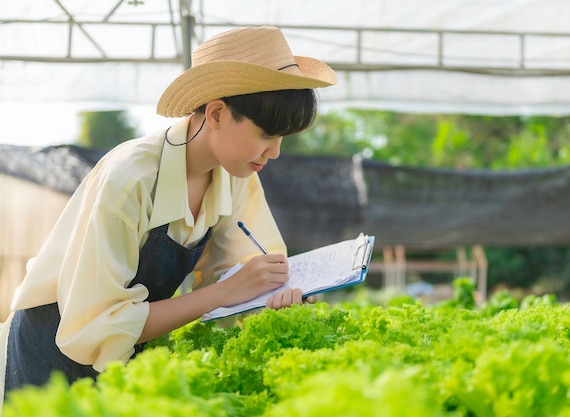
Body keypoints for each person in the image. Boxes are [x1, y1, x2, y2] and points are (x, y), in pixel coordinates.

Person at [0, 25, 337, 404]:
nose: (274, 152)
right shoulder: (130, 179)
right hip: (56, 353)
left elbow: (246, 269)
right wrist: (226, 292)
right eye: (265, 134)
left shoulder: (238, 173)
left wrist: (276, 294)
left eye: (282, 139)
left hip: (127, 354)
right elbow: (92, 326)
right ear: (217, 114)